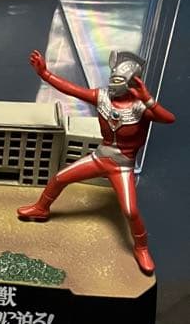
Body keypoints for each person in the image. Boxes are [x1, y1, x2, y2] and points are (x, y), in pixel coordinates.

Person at [17, 50, 175, 274]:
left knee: (130, 211)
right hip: (100, 157)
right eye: (112, 78)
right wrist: (45, 74)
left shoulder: (141, 109)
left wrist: (148, 99)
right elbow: (72, 90)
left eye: (118, 80)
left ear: (132, 83)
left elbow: (169, 119)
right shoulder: (103, 98)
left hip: (122, 166)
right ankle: (41, 209)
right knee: (60, 177)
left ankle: (141, 247)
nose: (112, 84)